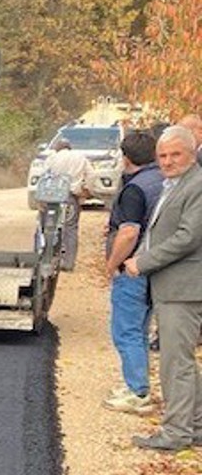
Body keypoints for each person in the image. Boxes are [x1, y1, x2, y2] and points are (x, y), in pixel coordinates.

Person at [124, 126, 202, 451]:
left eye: (175, 155)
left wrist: (143, 261)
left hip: (183, 288)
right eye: (163, 156)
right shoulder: (177, 184)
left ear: (192, 152)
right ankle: (194, 426)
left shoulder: (196, 186)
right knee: (181, 361)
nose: (168, 161)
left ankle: (175, 434)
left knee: (175, 363)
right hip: (173, 286)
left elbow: (188, 237)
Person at [101, 131, 164, 414]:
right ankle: (136, 385)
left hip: (134, 269)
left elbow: (128, 232)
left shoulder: (135, 189)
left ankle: (137, 391)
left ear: (125, 158)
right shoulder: (162, 181)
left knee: (126, 330)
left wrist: (112, 264)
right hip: (156, 267)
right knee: (140, 329)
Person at [43, 138, 95, 271]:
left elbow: (44, 176)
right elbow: (91, 175)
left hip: (52, 197)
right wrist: (87, 190)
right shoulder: (80, 157)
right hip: (70, 197)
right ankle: (69, 263)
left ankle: (48, 260)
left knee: (50, 227)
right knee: (70, 228)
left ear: (57, 148)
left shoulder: (52, 158)